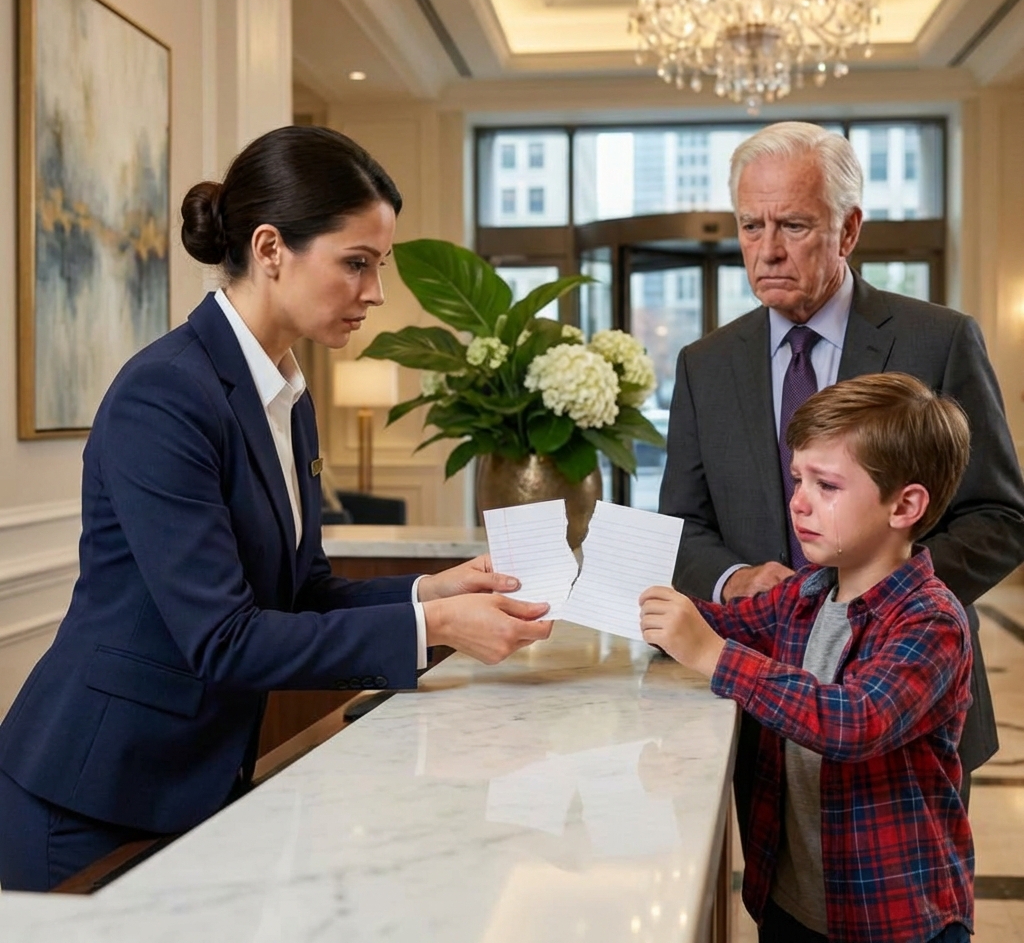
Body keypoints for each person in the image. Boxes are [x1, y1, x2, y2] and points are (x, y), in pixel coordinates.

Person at [0, 125, 552, 893]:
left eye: (379, 265)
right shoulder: (165, 394)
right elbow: (223, 640)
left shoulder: (286, 397)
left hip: (193, 780)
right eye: (356, 263)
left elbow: (303, 591)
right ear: (269, 249)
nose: (376, 292)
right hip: (93, 796)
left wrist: (433, 591)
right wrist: (433, 629)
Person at [659, 121, 1024, 825]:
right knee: (791, 904)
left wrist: (868, 605)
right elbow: (684, 526)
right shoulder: (705, 363)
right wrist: (735, 583)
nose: (766, 250)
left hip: (906, 705)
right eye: (750, 225)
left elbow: (1000, 518)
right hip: (762, 701)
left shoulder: (938, 340)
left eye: (793, 225)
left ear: (849, 230)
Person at [642, 373, 974, 943]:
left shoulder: (931, 621)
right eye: (797, 478)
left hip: (892, 914)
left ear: (905, 504)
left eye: (826, 485)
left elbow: (854, 721)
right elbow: (720, 625)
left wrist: (714, 656)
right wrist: (644, 608)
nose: (798, 501)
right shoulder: (809, 591)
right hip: (792, 900)